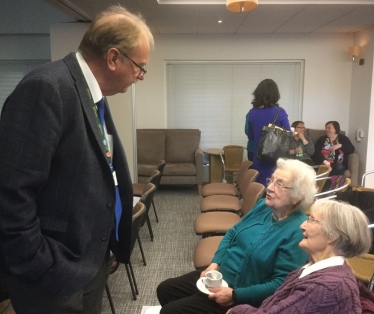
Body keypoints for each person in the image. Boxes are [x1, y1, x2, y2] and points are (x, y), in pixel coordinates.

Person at [0, 5, 154, 314]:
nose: (140, 76)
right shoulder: (47, 88)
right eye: (140, 67)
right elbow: (11, 195)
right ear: (113, 58)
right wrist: (43, 266)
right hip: (54, 273)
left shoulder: (90, 94)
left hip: (90, 260)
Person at [157, 159, 317, 314]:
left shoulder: (297, 231)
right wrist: (215, 263)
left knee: (169, 311)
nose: (269, 187)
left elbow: (280, 285)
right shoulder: (263, 207)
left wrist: (234, 295)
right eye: (272, 180)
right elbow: (234, 232)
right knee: (165, 289)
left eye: (279, 184)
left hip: (240, 295)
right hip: (220, 276)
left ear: (298, 196)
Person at [227, 199, 372, 314]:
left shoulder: (327, 287)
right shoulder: (315, 267)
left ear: (333, 235)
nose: (302, 225)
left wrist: (237, 310)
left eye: (312, 220)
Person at [246, 79, 291, 185]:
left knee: (259, 188)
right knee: (275, 187)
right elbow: (288, 135)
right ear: (275, 95)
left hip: (259, 157)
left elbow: (251, 135)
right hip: (275, 158)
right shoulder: (280, 112)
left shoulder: (252, 113)